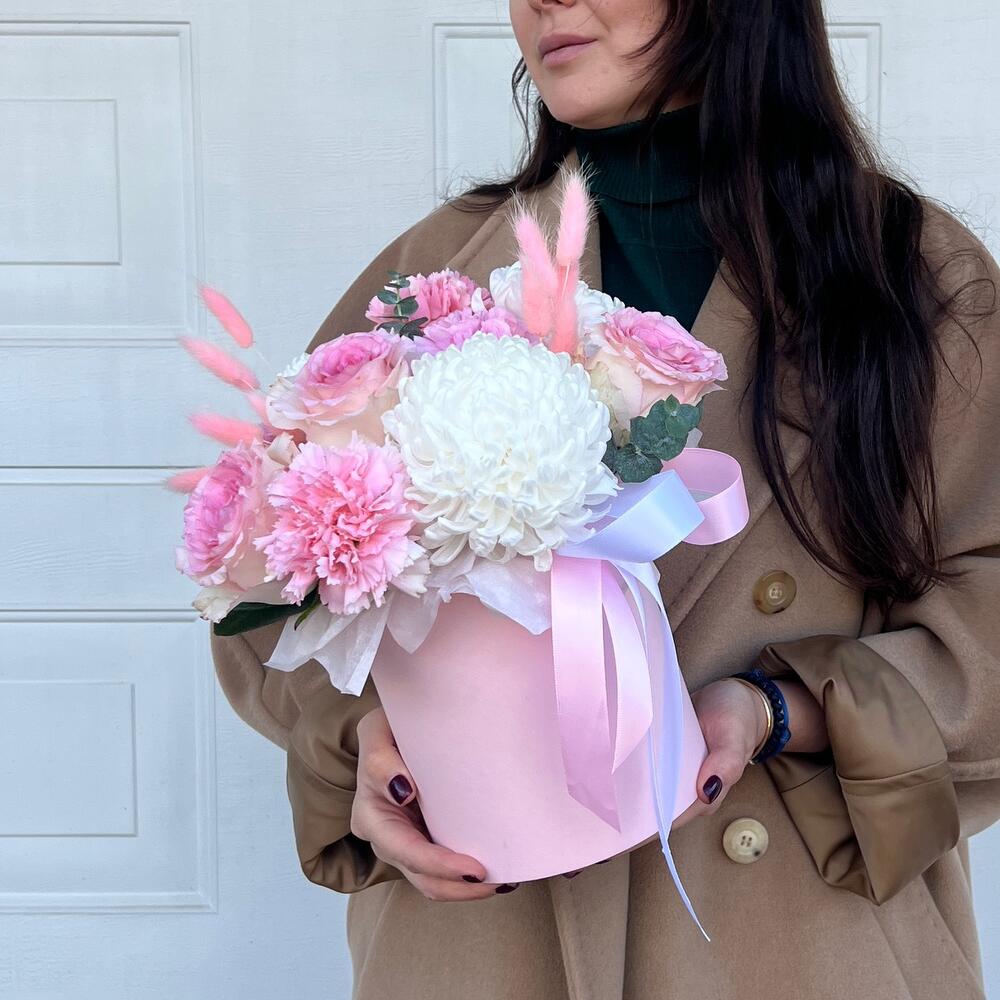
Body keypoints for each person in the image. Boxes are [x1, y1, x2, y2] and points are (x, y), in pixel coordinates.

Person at [210, 1, 1000, 997]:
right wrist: (364, 742)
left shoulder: (907, 277)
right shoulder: (441, 273)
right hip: (486, 940)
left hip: (794, 940)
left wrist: (778, 706)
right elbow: (265, 583)